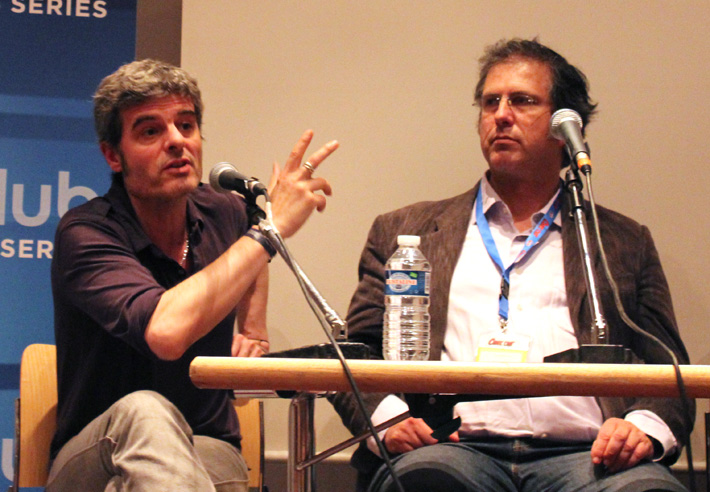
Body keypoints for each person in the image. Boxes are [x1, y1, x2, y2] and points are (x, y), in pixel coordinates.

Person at [330, 38, 693, 492]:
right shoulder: (404, 231)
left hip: (588, 456)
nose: (501, 115)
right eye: (490, 102)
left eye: (522, 101)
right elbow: (354, 353)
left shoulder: (620, 241)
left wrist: (641, 429)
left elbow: (669, 366)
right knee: (427, 481)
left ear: (565, 126)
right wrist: (388, 420)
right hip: (452, 448)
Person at [47, 59, 338, 492]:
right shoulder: (87, 232)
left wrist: (254, 330)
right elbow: (165, 333)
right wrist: (269, 231)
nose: (176, 141)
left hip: (205, 443)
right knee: (146, 411)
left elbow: (249, 247)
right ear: (113, 155)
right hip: (97, 455)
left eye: (186, 125)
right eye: (151, 131)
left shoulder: (225, 212)